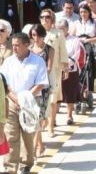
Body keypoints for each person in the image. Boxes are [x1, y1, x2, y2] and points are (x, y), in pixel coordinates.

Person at [0, 33, 49, 174]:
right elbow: (4, 83)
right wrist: (15, 99)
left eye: (17, 45)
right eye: (13, 45)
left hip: (30, 103)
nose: (14, 48)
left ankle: (26, 164)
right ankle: (10, 167)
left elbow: (40, 83)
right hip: (12, 102)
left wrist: (25, 98)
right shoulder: (8, 62)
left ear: (27, 45)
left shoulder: (37, 61)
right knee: (11, 134)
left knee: (27, 134)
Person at [39, 9, 68, 137]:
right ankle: (42, 122)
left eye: (47, 17)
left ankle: (51, 126)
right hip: (39, 71)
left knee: (52, 99)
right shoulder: (36, 32)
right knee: (40, 99)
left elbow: (63, 51)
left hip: (54, 70)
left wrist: (65, 67)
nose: (44, 20)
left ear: (52, 19)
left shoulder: (58, 33)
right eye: (42, 17)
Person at [28, 24, 53, 157]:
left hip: (42, 87)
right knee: (33, 116)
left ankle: (33, 148)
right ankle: (41, 145)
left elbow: (48, 68)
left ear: (43, 35)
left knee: (39, 117)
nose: (36, 38)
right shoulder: (28, 49)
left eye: (38, 35)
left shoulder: (49, 49)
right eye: (33, 35)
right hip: (29, 86)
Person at [58, 19, 84, 125]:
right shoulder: (54, 39)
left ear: (67, 29)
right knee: (57, 94)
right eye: (58, 29)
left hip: (71, 68)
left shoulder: (74, 40)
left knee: (70, 93)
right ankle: (53, 118)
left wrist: (66, 64)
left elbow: (77, 54)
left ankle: (69, 115)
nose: (60, 31)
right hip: (57, 69)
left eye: (62, 29)